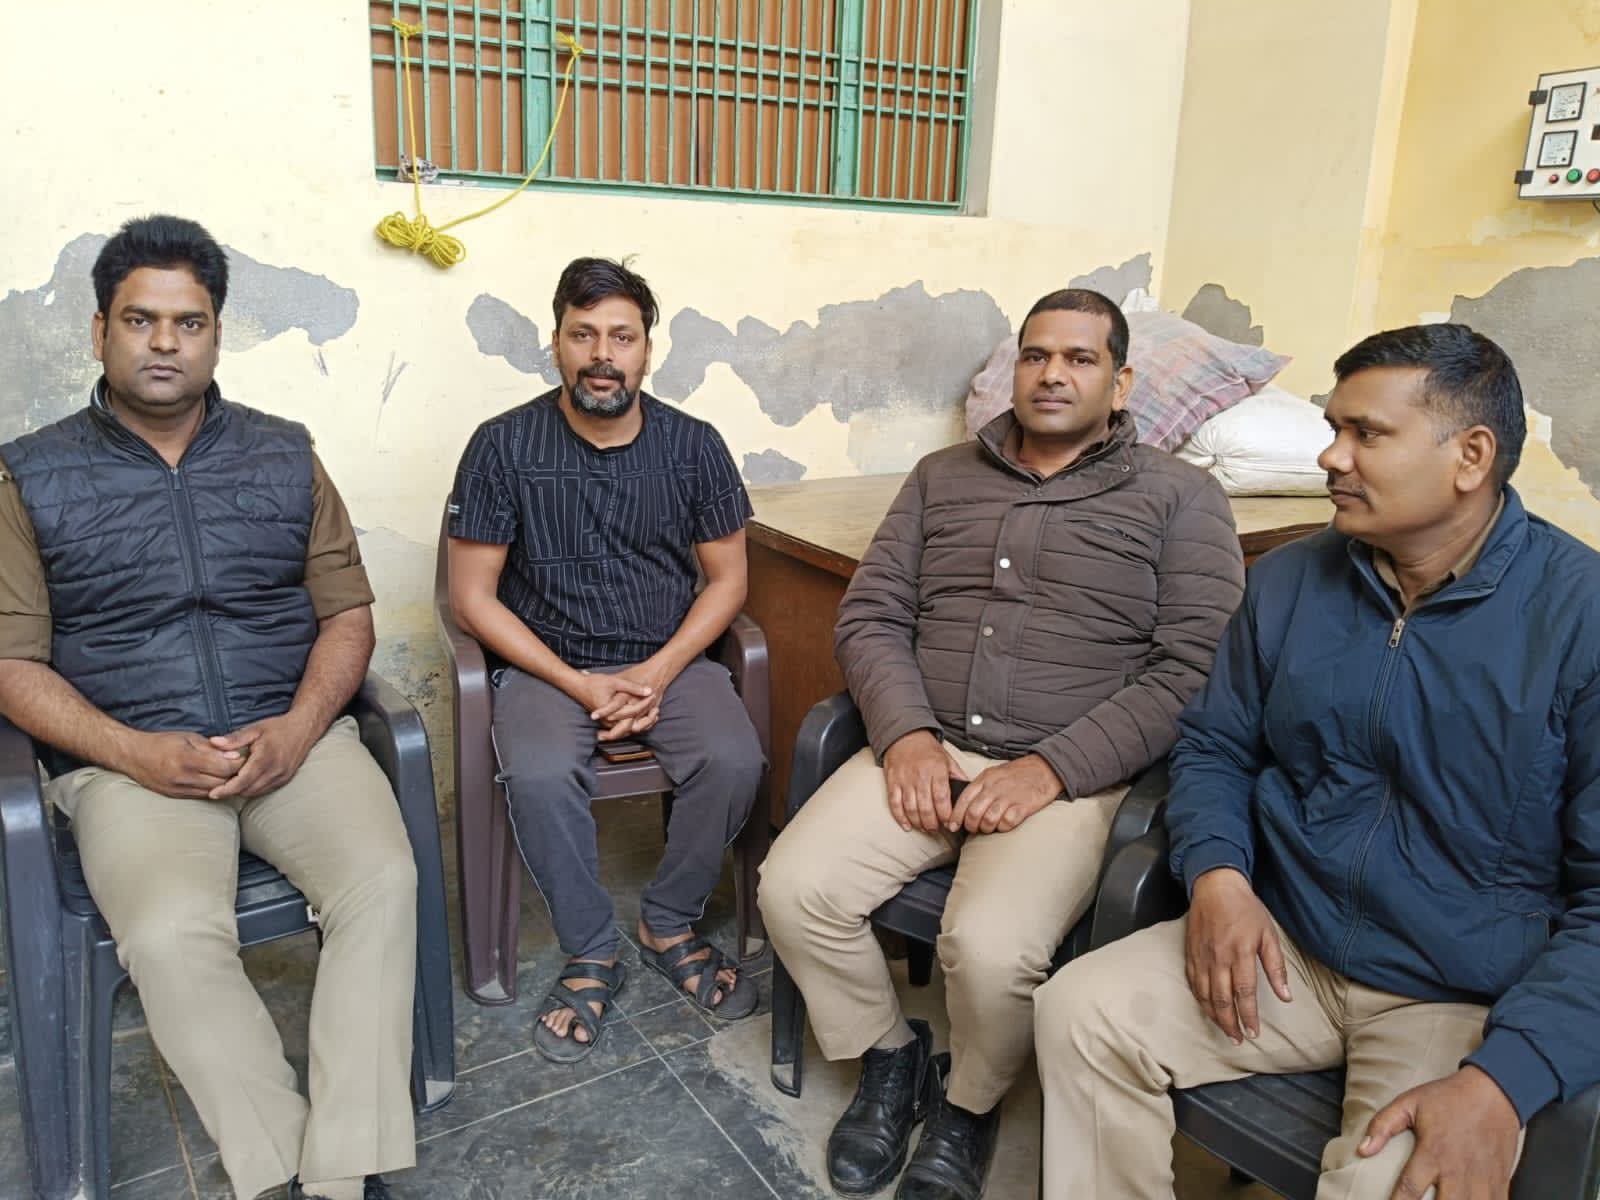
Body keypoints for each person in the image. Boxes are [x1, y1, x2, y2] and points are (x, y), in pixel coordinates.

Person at [1034, 323, 1600, 1199]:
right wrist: (1219, 878)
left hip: (1455, 994)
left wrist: (1505, 1079)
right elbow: (1215, 745)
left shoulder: (1579, 620)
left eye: (1366, 434)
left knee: (1397, 1184)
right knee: (1079, 1011)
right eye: (1333, 428)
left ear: (1471, 456)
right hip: (1282, 944)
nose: (1331, 457)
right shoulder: (1292, 578)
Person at [758, 288, 1246, 1200]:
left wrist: (1053, 769)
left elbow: (1194, 669)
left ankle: (969, 1103)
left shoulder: (1182, 499)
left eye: (1080, 358)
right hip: (930, 750)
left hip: (1068, 778)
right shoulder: (941, 477)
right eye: (1036, 355)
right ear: (1014, 370)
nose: (1053, 374)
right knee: (794, 889)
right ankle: (891, 1057)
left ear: (1121, 381)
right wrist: (906, 737)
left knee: (988, 950)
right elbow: (871, 616)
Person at [0, 215, 416, 1200]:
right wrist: (132, 753)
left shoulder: (284, 453)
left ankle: (342, 1170)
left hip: (291, 738)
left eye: (188, 323)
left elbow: (347, 616)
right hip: (130, 762)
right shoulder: (29, 475)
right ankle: (278, 1161)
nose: (164, 342)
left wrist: (301, 729)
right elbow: (12, 663)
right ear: (99, 330)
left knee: (383, 881)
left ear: (217, 335)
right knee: (169, 934)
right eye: (139, 320)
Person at [447, 256, 764, 1063]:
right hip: (548, 666)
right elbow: (472, 598)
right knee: (541, 773)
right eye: (583, 334)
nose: (602, 355)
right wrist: (576, 683)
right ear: (555, 342)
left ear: (647, 351)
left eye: (622, 337)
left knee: (734, 759)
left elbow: (729, 580)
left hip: (668, 659)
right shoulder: (502, 446)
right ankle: (590, 949)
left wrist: (658, 671)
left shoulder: (694, 446)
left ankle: (669, 922)